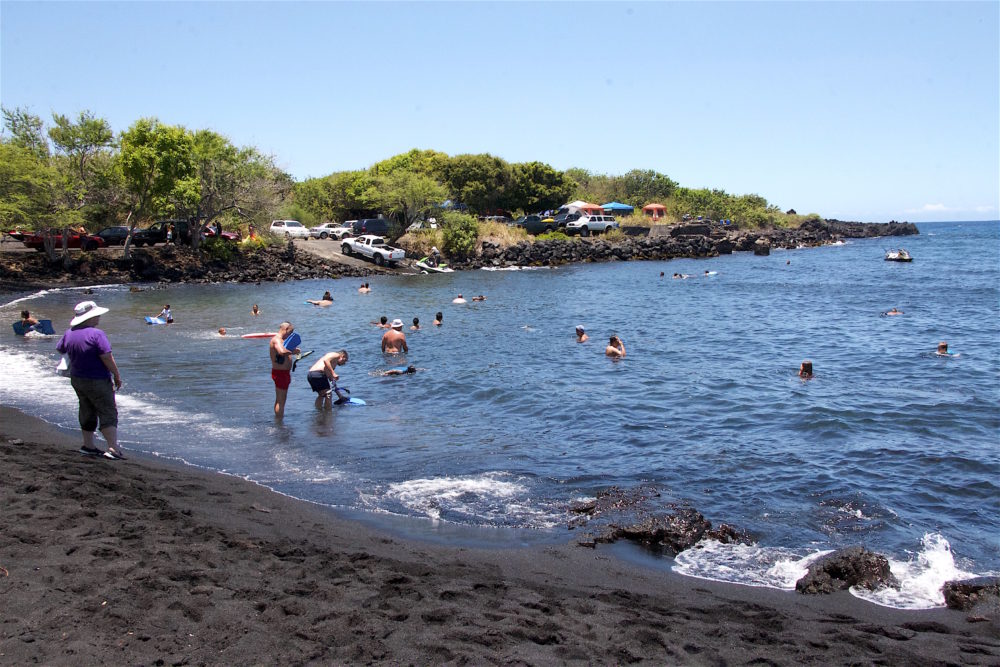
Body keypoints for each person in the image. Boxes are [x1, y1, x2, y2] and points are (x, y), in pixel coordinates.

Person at [56, 301, 125, 459]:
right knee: (107, 411)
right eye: (97, 315)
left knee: (86, 409)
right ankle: (113, 448)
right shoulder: (97, 334)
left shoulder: (69, 333)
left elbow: (61, 348)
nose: (99, 317)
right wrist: (117, 375)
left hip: (77, 378)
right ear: (90, 317)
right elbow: (106, 356)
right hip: (97, 379)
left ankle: (88, 445)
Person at [270, 322, 300, 419]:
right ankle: (279, 424)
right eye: (290, 331)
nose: (291, 334)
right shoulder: (277, 340)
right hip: (280, 374)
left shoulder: (282, 340)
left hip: (283, 373)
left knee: (280, 399)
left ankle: (278, 421)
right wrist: (292, 352)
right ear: (285, 329)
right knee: (281, 401)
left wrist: (293, 351)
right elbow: (281, 352)